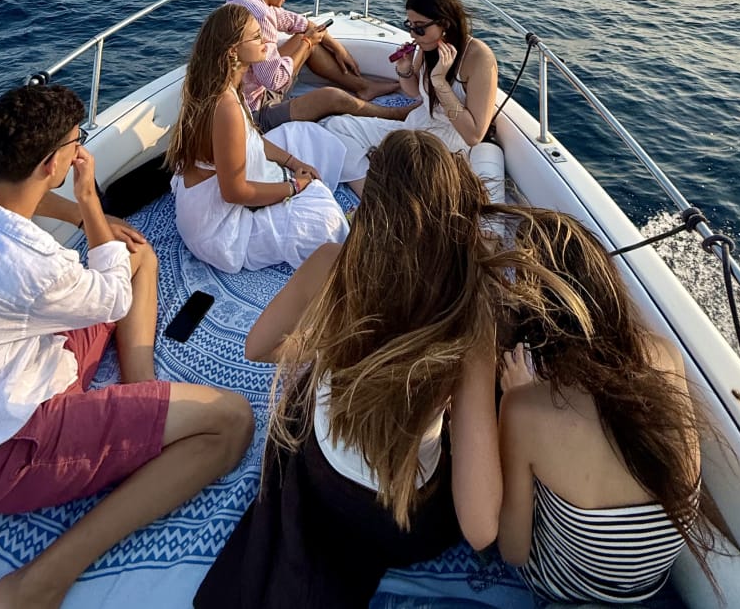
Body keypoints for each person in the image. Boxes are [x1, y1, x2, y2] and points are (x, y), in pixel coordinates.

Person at [0, 82, 254, 609]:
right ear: (54, 162)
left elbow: (83, 243)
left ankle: (140, 392)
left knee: (136, 255)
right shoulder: (32, 272)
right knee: (231, 422)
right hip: (2, 454)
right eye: (79, 141)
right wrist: (90, 201)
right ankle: (40, 582)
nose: (82, 150)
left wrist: (79, 217)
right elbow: (113, 297)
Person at [191, 130, 509, 609]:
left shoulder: (329, 264)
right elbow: (481, 528)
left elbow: (258, 346)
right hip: (403, 523)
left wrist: (330, 345)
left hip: (323, 482)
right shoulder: (469, 311)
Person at [497, 210, 712, 605]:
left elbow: (514, 550)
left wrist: (518, 394)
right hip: (651, 583)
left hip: (565, 586)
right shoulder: (664, 352)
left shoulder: (524, 408)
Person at [166, 5, 367, 273]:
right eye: (257, 37)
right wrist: (295, 187)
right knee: (321, 212)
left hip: (209, 203)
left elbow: (253, 138)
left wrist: (294, 163)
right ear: (233, 51)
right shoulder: (224, 107)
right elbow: (234, 192)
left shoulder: (223, 85)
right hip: (220, 232)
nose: (266, 43)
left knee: (300, 134)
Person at [322, 0, 503, 198]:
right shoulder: (429, 45)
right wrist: (405, 69)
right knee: (336, 127)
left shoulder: (479, 57)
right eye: (409, 26)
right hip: (417, 125)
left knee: (411, 177)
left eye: (419, 27)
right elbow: (414, 92)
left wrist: (440, 82)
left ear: (444, 24)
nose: (413, 35)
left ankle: (380, 192)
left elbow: (474, 135)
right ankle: (371, 194)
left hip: (447, 145)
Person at [226, 0, 404, 128]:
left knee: (304, 35)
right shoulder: (261, 16)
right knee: (331, 96)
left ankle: (363, 86)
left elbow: (302, 23)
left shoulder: (243, 4)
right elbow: (275, 81)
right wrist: (306, 43)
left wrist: (338, 49)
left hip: (253, 94)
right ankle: (395, 114)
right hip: (254, 113)